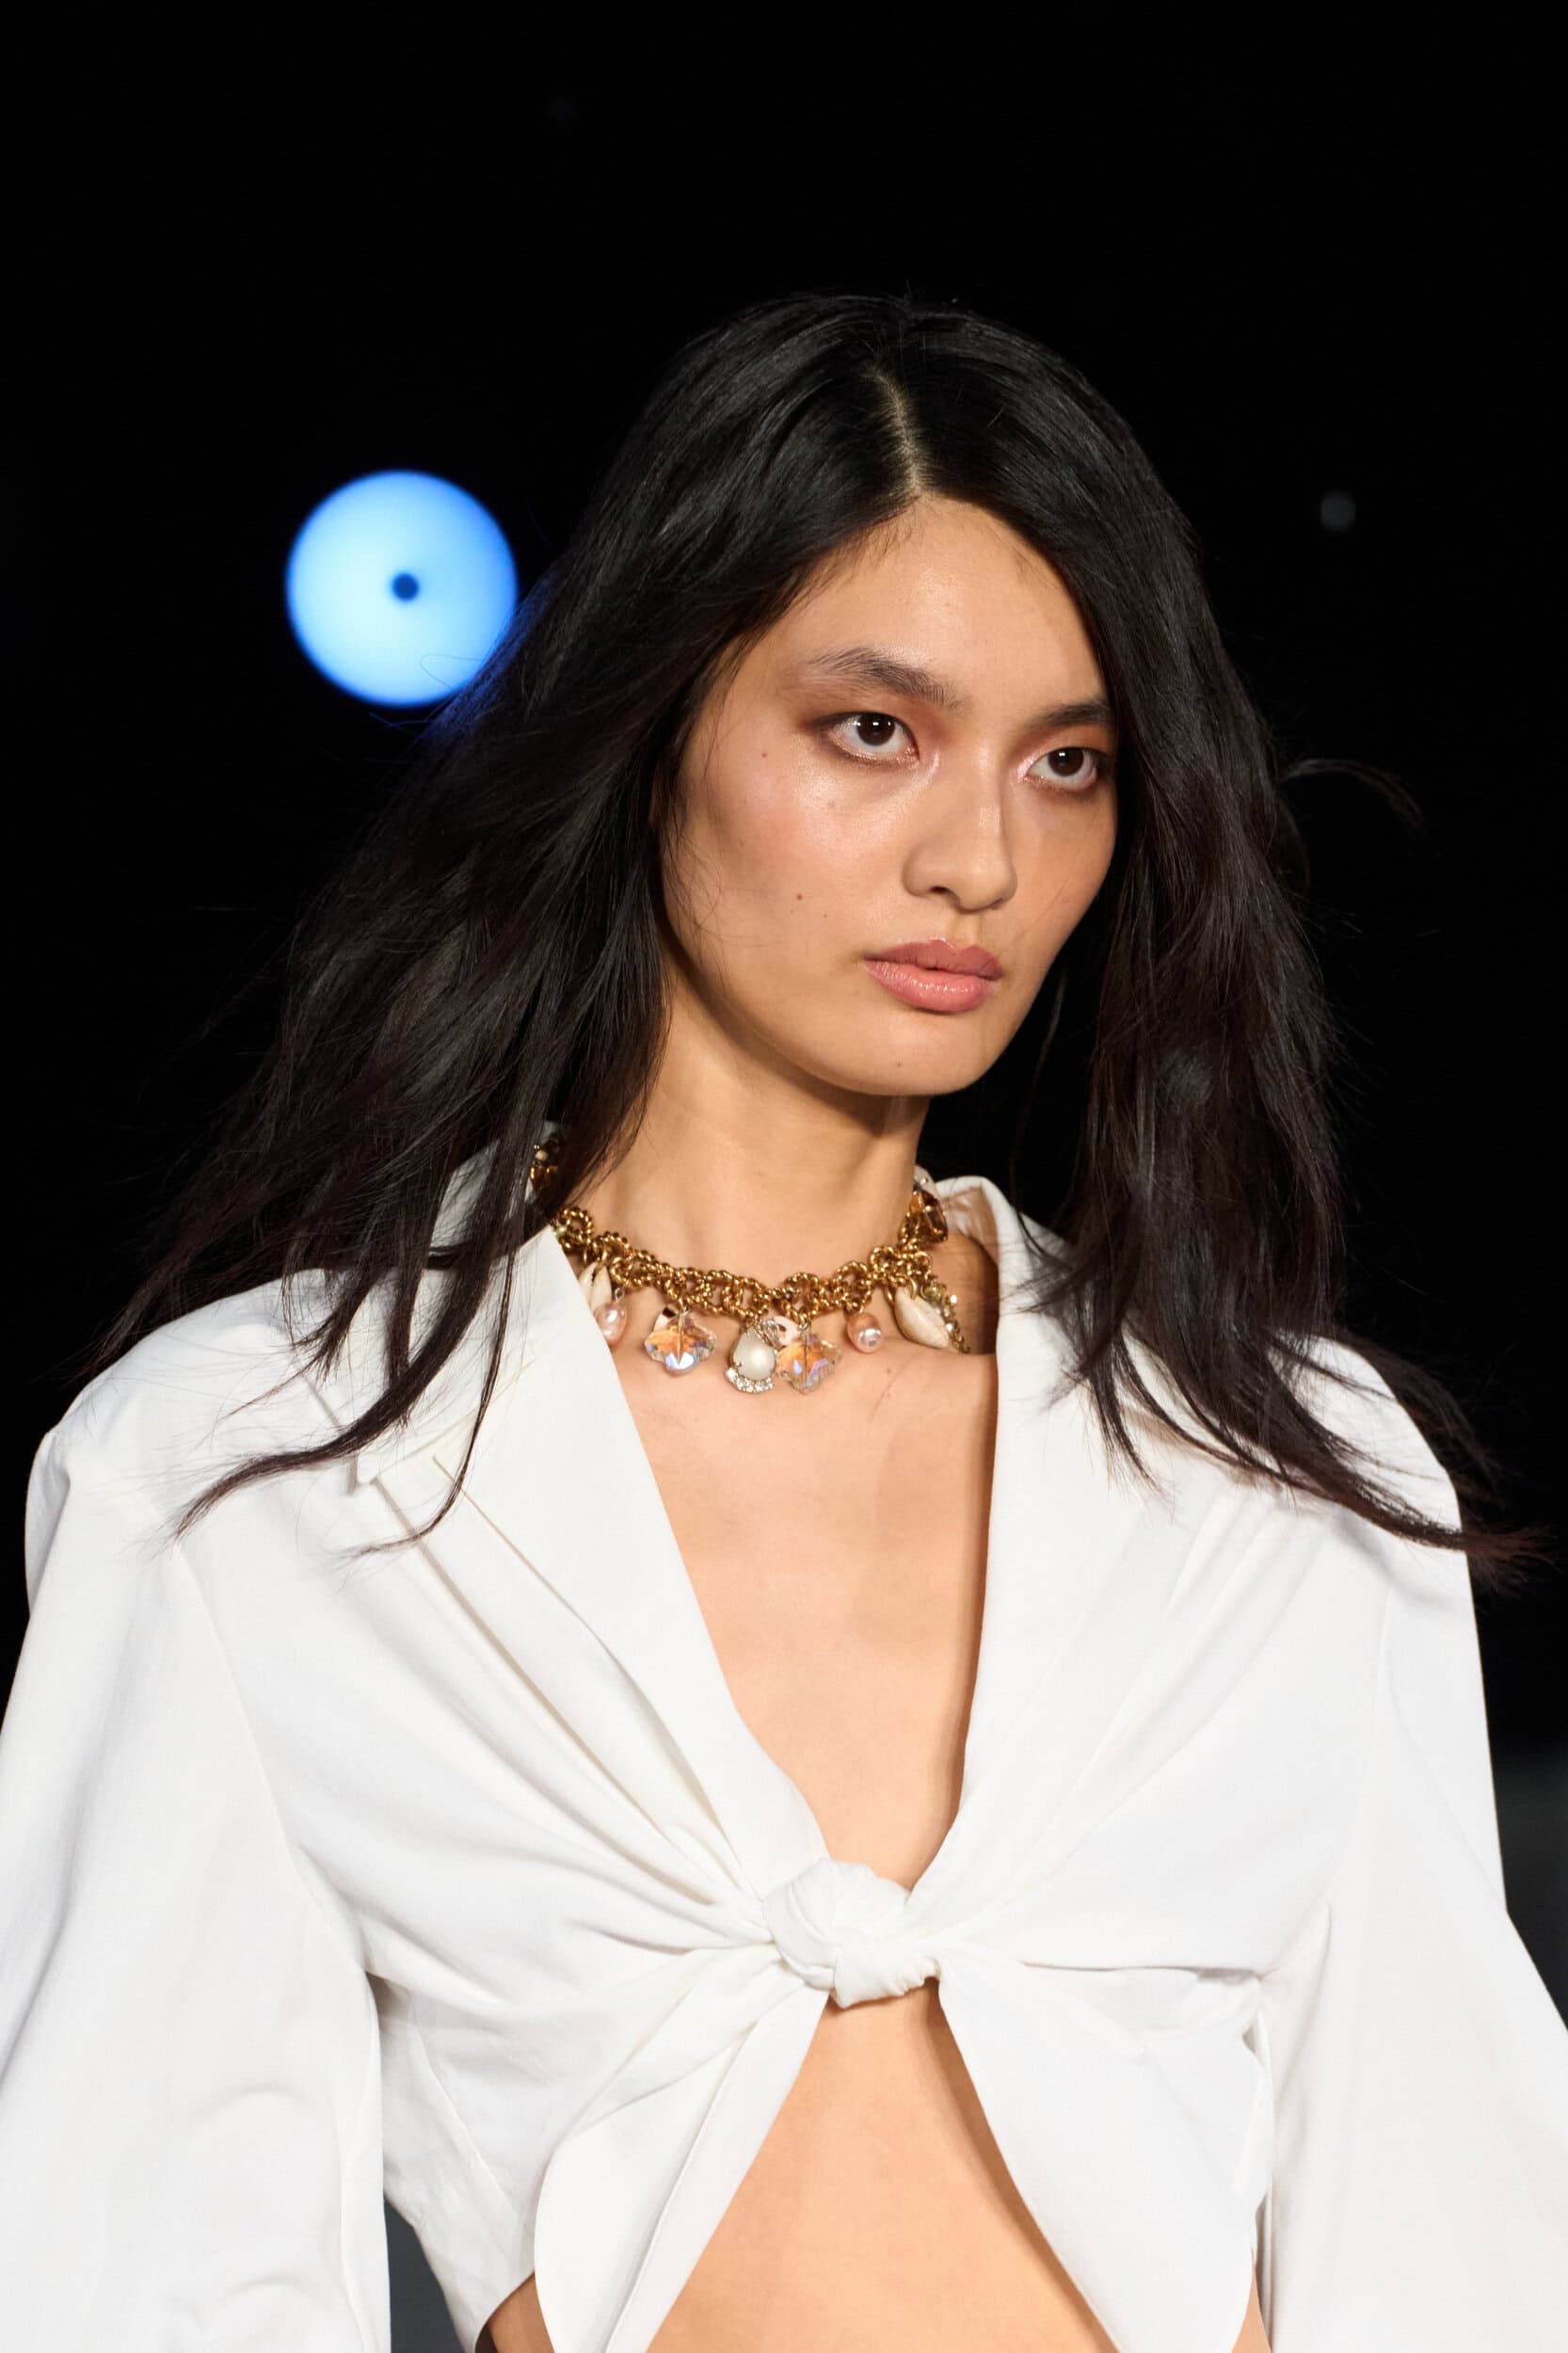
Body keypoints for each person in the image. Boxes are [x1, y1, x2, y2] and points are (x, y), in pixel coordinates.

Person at [3, 291, 1564, 2353]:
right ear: (652, 723)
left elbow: (1454, 2236)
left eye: (1068, 763)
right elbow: (146, 2279)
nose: (980, 857)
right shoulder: (256, 1473)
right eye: (871, 731)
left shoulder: (1276, 1463)